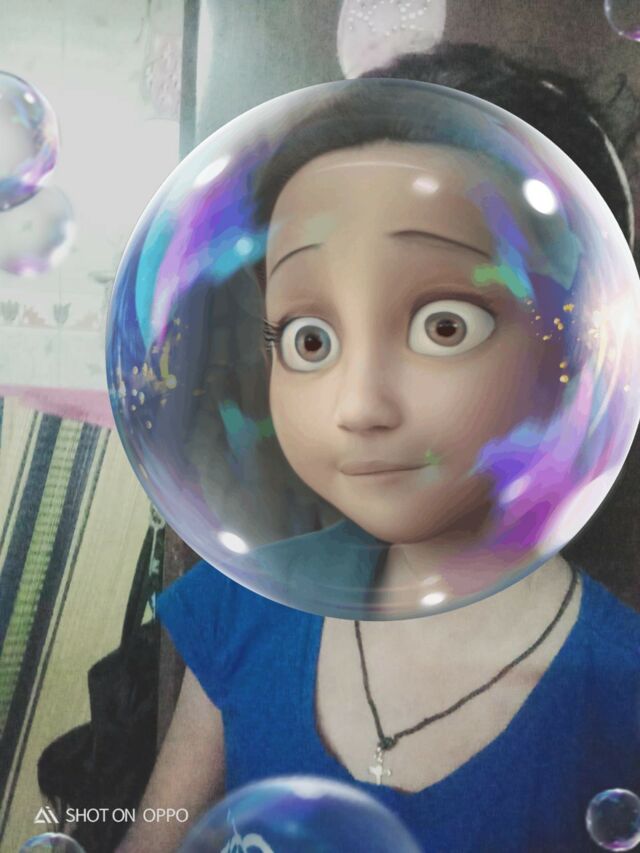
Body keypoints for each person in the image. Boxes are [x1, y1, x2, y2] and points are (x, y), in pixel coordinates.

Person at [117, 45, 640, 852]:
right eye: (309, 337)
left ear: (575, 346)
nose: (357, 405)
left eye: (444, 324)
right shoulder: (251, 603)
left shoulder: (620, 694)